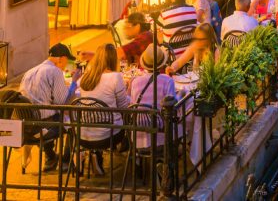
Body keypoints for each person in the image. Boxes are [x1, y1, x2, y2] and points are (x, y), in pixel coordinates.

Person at [19, 44, 81, 172]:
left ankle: (50, 157)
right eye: (66, 61)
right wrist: (74, 82)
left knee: (50, 114)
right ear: (61, 58)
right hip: (43, 126)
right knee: (74, 120)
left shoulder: (30, 71)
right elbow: (62, 102)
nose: (66, 65)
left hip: (26, 126)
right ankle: (65, 161)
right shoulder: (54, 71)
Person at [78, 44, 130, 175]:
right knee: (130, 122)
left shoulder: (85, 77)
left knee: (102, 119)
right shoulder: (115, 77)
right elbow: (124, 108)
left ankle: (94, 153)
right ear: (113, 59)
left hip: (84, 135)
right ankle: (133, 163)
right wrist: (129, 92)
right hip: (109, 135)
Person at [130, 45, 175, 149]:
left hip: (138, 138)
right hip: (160, 137)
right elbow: (172, 106)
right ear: (162, 64)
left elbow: (133, 105)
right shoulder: (168, 81)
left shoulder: (135, 82)